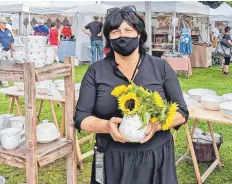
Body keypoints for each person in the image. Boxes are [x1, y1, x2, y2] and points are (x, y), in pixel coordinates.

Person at [74, 6, 188, 184]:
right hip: (110, 158)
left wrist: (157, 125)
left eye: (129, 30)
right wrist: (107, 127)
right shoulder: (95, 71)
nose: (122, 36)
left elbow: (182, 112)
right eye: (115, 31)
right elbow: (81, 118)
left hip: (156, 156)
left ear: (140, 34)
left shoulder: (161, 67)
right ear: (108, 38)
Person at [0, 17, 14, 87]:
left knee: (10, 66)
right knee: (3, 66)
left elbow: (12, 41)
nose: (5, 24)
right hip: (0, 52)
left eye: (5, 23)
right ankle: (5, 84)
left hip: (8, 51)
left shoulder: (8, 31)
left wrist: (13, 50)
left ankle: (2, 79)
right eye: (4, 23)